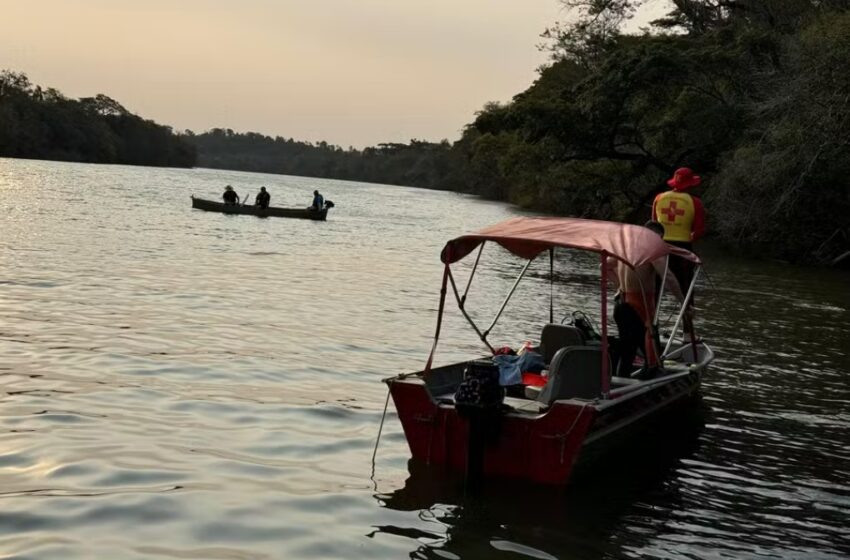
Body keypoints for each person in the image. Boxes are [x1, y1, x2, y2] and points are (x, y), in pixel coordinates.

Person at [611, 221, 687, 379]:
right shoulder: (651, 249)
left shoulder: (627, 248)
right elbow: (669, 279)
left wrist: (618, 285)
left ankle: (620, 381)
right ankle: (647, 381)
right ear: (657, 236)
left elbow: (603, 266)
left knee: (628, 348)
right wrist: (683, 302)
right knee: (651, 352)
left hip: (621, 303)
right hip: (639, 306)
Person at [652, 167, 705, 337]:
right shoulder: (695, 202)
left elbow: (654, 224)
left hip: (659, 247)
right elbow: (699, 230)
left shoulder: (659, 198)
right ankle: (688, 335)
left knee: (655, 289)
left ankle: (651, 329)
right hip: (683, 250)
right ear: (690, 184)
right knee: (686, 290)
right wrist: (689, 238)